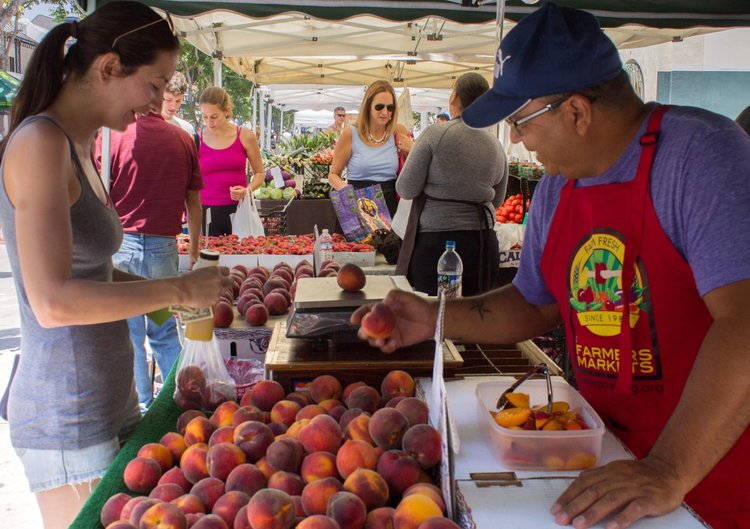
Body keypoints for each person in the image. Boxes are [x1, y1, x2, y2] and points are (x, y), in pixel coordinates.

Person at [353, 4, 750, 529]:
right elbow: (534, 302)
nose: (515, 140)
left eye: (519, 121)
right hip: (595, 455)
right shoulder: (560, 185)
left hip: (702, 477)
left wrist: (669, 468)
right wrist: (435, 316)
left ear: (577, 112)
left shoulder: (702, 157)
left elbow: (743, 319)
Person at [0, 4, 231, 528]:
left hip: (108, 401)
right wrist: (176, 286)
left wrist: (176, 295)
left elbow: (94, 273)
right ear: (108, 67)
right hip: (68, 417)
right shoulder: (40, 143)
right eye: (155, 84)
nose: (158, 101)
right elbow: (54, 301)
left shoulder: (81, 145)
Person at [94, 78, 203, 412]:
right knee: (165, 331)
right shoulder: (183, 139)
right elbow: (194, 200)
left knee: (131, 337)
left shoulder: (111, 136)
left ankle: (142, 404)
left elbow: (97, 191)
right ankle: (180, 402)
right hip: (162, 251)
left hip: (121, 247)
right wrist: (195, 246)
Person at [395, 72, 508, 296]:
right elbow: (498, 199)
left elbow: (405, 188)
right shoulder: (495, 144)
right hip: (483, 244)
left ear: (453, 97)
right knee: (475, 316)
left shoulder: (435, 134)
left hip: (436, 245)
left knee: (436, 316)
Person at [328, 80, 414, 217]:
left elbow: (416, 167)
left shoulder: (398, 130)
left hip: (390, 207)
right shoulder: (350, 133)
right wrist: (344, 188)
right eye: (379, 107)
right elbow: (333, 175)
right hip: (358, 205)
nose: (385, 112)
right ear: (368, 106)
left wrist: (413, 149)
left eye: (390, 107)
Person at [198, 86, 264, 236]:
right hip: (205, 211)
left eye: (214, 117)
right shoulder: (197, 140)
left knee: (241, 256)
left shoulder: (246, 136)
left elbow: (259, 173)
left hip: (239, 209)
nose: (209, 122)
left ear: (226, 111)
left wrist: (247, 190)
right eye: (204, 117)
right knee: (210, 257)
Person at [161, 71, 195, 136]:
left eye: (178, 101)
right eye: (168, 100)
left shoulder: (187, 130)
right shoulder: (141, 129)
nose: (173, 106)